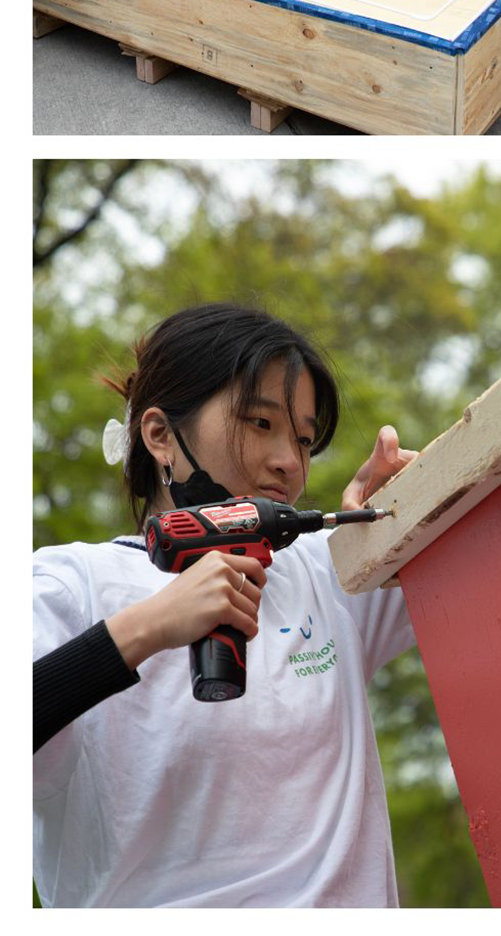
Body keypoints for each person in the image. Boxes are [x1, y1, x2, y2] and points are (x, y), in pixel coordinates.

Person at [32, 305, 418, 905]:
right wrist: (147, 627)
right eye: (261, 423)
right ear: (159, 435)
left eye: (305, 437)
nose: (290, 460)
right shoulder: (69, 584)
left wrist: (410, 509)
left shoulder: (327, 567)